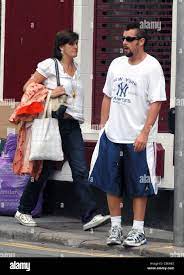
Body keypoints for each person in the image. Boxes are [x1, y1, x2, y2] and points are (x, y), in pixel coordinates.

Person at [15, 30, 110, 230]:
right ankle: (23, 210)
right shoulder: (50, 65)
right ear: (61, 47)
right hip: (53, 124)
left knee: (80, 169)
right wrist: (50, 91)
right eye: (71, 44)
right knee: (44, 170)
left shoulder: (77, 68)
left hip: (72, 124)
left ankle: (89, 215)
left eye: (76, 43)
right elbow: (28, 87)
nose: (75, 47)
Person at [89, 23, 166, 246]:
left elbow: (156, 102)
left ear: (141, 41)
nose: (124, 43)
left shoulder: (152, 67)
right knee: (111, 183)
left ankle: (138, 230)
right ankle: (115, 228)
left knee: (139, 184)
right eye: (123, 38)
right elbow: (107, 96)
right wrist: (104, 126)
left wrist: (144, 132)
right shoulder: (116, 64)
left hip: (138, 139)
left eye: (130, 39)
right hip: (113, 135)